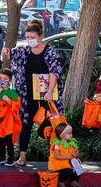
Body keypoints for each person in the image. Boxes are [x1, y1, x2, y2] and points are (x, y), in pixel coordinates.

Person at [9, 20, 63, 168]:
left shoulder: (50, 51)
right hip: (28, 95)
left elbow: (54, 72)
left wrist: (50, 92)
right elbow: (11, 54)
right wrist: (5, 52)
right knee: (25, 124)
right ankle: (22, 156)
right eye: (27, 37)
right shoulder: (24, 51)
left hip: (47, 95)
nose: (29, 40)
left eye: (32, 37)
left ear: (40, 36)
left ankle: (57, 157)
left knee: (52, 125)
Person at [49, 122, 82, 187]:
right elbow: (56, 156)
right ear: (62, 135)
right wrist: (67, 156)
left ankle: (74, 181)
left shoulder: (72, 143)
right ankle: (60, 181)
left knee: (78, 169)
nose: (71, 135)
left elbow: (77, 152)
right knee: (67, 171)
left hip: (69, 164)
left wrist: (76, 154)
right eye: (69, 133)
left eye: (71, 133)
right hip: (58, 165)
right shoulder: (57, 144)